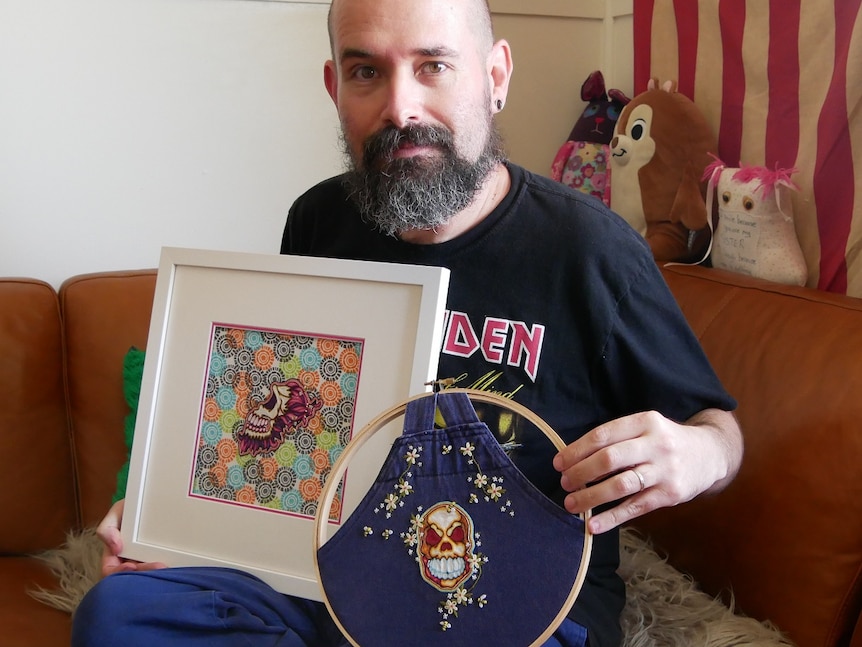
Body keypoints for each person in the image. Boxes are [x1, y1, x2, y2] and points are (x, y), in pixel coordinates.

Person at [72, 1, 743, 646]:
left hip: (512, 593)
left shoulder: (593, 252)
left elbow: (721, 431)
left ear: (496, 75)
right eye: (367, 71)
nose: (401, 107)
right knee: (120, 615)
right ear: (336, 87)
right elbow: (288, 429)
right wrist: (176, 523)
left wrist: (696, 454)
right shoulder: (317, 221)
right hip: (335, 568)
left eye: (433, 66)